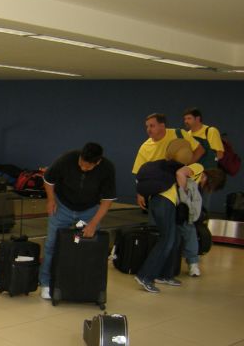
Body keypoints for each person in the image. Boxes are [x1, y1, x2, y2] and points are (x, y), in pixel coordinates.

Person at [39, 142, 116, 299]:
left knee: (88, 245)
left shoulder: (107, 168)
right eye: (81, 164)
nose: (83, 168)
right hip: (62, 206)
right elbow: (48, 179)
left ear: (98, 162)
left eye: (88, 167)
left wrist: (93, 224)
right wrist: (51, 200)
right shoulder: (67, 159)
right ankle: (46, 283)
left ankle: (84, 283)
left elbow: (107, 200)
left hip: (89, 209)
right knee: (51, 245)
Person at [135, 161, 225, 294]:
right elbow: (180, 173)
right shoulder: (198, 168)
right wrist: (185, 197)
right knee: (166, 240)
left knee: (175, 239)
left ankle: (165, 275)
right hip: (164, 201)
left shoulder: (196, 180)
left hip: (168, 204)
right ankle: (145, 276)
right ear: (211, 179)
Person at [132, 113, 204, 278]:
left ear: (162, 125)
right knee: (163, 233)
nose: (149, 129)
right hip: (160, 193)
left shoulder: (179, 134)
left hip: (178, 190)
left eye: (152, 125)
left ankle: (191, 262)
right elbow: (139, 173)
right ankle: (159, 270)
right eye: (147, 126)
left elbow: (199, 149)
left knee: (185, 226)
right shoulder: (145, 147)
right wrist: (140, 193)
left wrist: (186, 165)